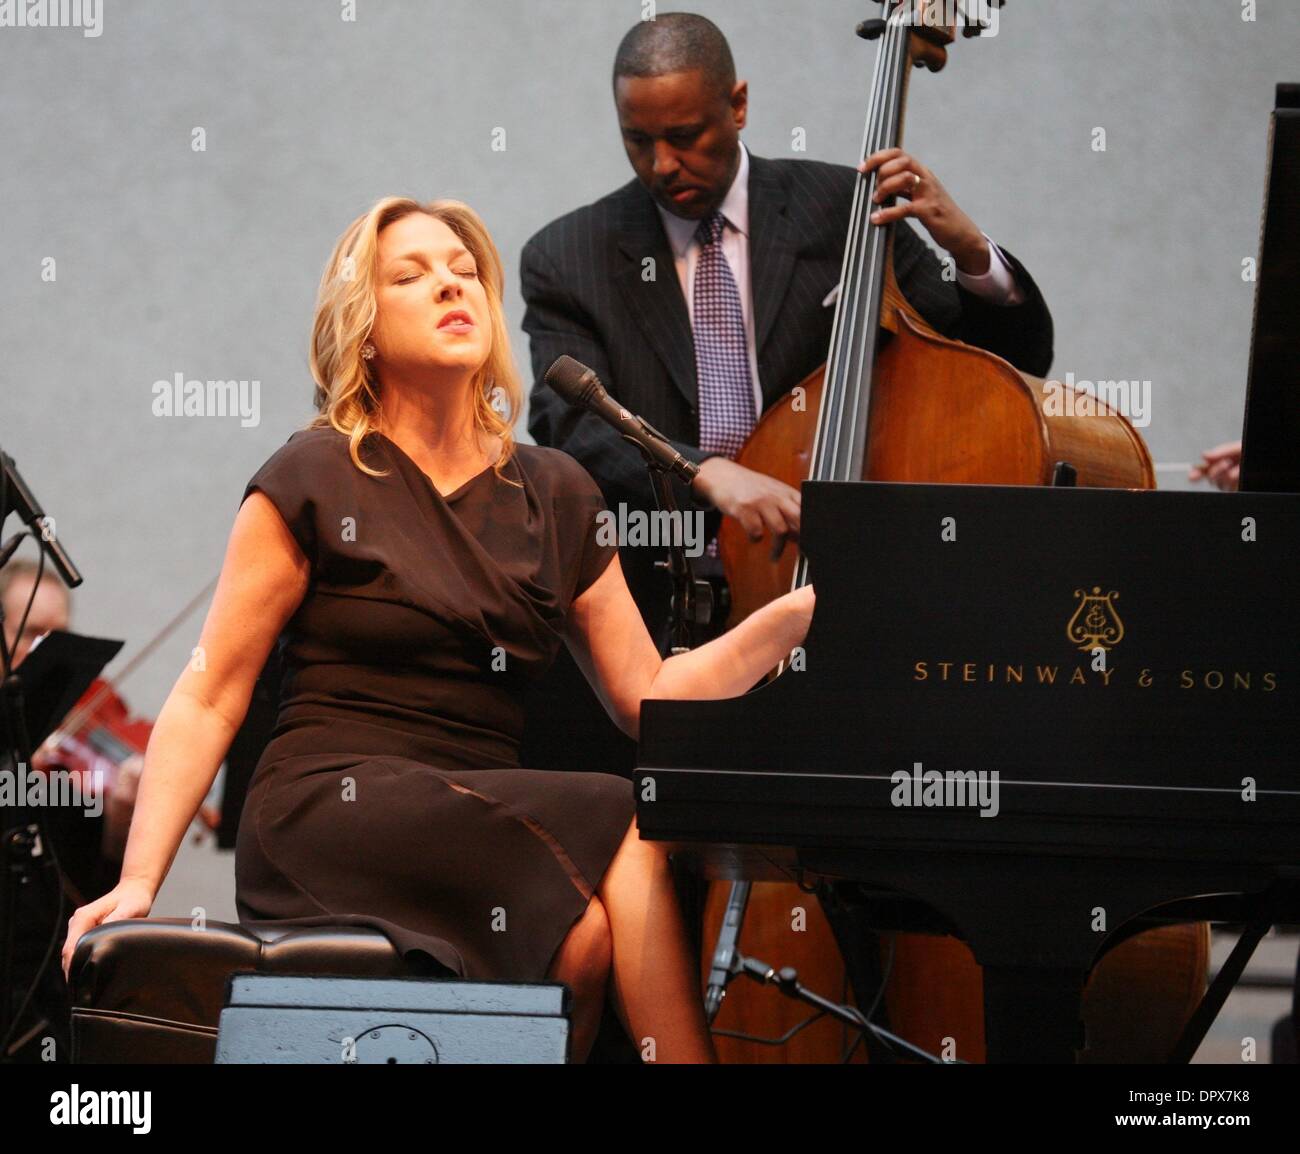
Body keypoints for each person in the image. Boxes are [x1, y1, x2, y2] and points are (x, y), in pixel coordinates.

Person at [60, 196, 816, 1064]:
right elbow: (209, 692)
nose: (451, 286)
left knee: (583, 943)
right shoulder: (313, 474)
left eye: (465, 272)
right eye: (411, 275)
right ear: (364, 328)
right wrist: (139, 882)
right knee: (618, 811)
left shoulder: (558, 491)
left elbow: (648, 699)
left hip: (482, 823)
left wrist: (792, 619)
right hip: (327, 806)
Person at [520, 12, 1055, 776]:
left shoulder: (844, 211)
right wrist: (704, 469)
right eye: (639, 140)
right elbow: (570, 423)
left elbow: (996, 372)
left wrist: (970, 252)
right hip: (670, 607)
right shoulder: (567, 256)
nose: (664, 163)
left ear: (737, 105)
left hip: (845, 594)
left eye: (687, 134)